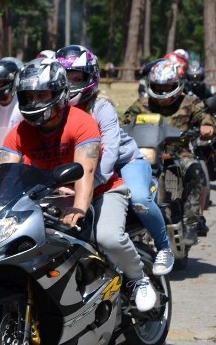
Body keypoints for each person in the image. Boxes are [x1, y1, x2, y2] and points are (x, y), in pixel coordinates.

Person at [0, 58, 156, 312]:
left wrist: (79, 207)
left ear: (58, 93)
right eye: (29, 96)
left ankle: (139, 279)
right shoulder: (19, 132)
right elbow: (3, 174)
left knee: (108, 237)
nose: (35, 102)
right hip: (52, 196)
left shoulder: (80, 122)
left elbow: (87, 170)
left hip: (102, 191)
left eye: (42, 94)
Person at [56, 44, 174, 275]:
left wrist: (83, 189)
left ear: (90, 78)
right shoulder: (54, 109)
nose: (70, 85)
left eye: (77, 78)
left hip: (124, 163)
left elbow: (109, 155)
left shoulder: (101, 107)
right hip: (85, 169)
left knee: (140, 198)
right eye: (64, 79)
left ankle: (163, 248)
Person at [122, 58, 215, 244]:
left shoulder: (189, 102)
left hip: (179, 153)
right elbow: (123, 123)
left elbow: (205, 116)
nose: (162, 92)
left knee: (194, 170)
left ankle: (190, 222)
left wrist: (206, 127)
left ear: (177, 85)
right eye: (158, 87)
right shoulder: (141, 105)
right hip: (144, 153)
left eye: (167, 88)